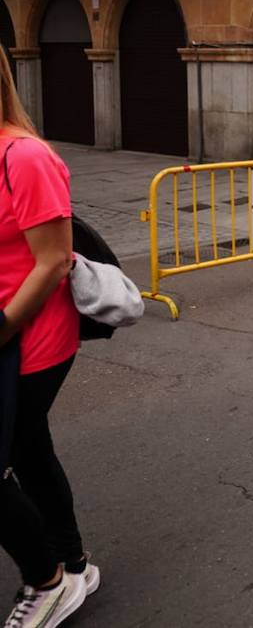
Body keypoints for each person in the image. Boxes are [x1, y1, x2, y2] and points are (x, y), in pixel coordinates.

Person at [0, 53, 95, 628]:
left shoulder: (25, 156)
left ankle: (48, 579)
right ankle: (74, 562)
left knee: (15, 453)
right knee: (28, 450)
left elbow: (54, 260)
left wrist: (2, 327)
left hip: (28, 339)